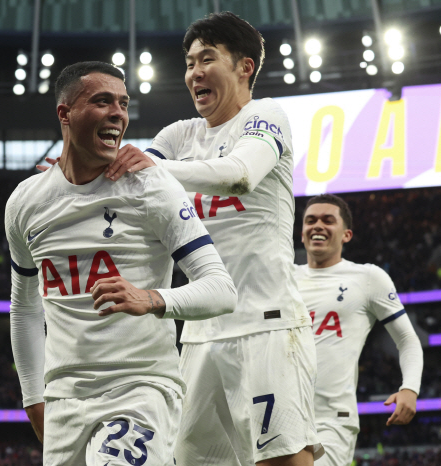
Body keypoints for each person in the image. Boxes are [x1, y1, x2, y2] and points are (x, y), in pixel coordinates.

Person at [98, 12, 322, 466]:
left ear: (244, 67)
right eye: (189, 63)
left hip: (267, 325)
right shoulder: (179, 135)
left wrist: (154, 169)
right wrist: (73, 176)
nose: (194, 73)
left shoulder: (266, 116)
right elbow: (128, 182)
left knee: (280, 459)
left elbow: (239, 175)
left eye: (207, 59)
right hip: (199, 333)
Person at [6, 61, 237, 466]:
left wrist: (151, 298)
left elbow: (222, 289)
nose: (118, 114)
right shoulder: (26, 202)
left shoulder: (151, 187)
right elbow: (25, 307)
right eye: (102, 101)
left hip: (140, 389)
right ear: (65, 113)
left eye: (123, 104)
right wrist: (33, 397)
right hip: (63, 400)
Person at [294, 194, 424, 466]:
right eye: (311, 220)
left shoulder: (368, 278)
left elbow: (407, 339)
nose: (318, 226)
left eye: (328, 220)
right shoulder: (284, 279)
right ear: (302, 232)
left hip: (331, 421)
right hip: (279, 415)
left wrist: (410, 388)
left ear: (347, 235)